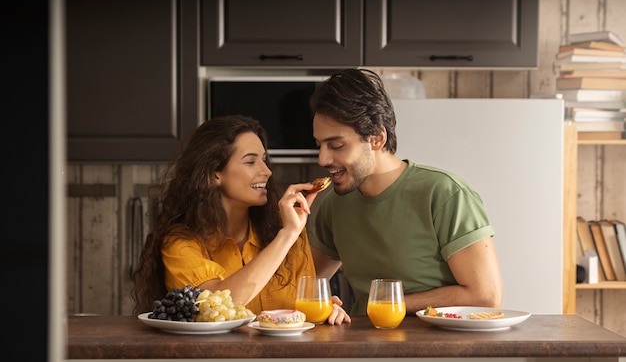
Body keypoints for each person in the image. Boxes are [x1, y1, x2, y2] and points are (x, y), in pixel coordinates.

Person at [308, 68, 503, 316]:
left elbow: (486, 296)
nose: (323, 158)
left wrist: (384, 305)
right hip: (364, 348)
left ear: (377, 139)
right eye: (319, 145)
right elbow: (304, 287)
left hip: (441, 349)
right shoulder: (334, 204)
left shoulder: (445, 194)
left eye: (336, 145)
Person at [131, 115, 351, 325]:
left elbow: (302, 313)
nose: (266, 171)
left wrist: (325, 311)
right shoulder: (180, 243)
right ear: (214, 173)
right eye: (250, 162)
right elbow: (214, 309)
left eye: (264, 160)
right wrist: (287, 235)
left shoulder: (288, 229)